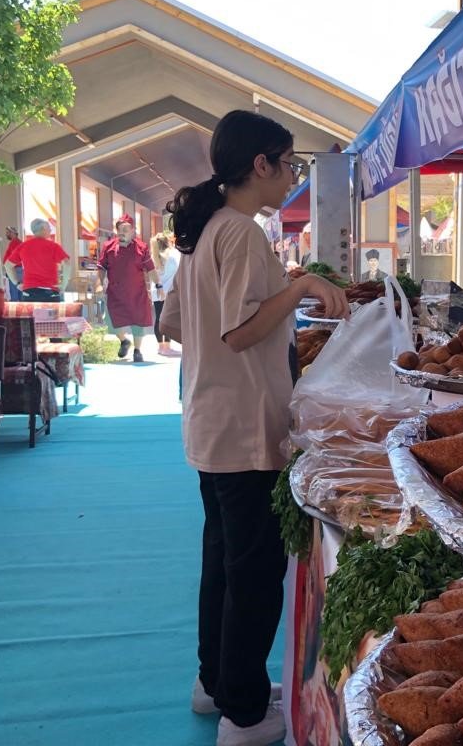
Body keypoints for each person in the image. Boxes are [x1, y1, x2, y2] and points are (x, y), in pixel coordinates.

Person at [159, 109, 348, 746]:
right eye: (289, 163)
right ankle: (242, 712)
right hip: (242, 428)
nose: (292, 175)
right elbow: (237, 333)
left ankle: (218, 682)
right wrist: (297, 291)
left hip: (214, 421)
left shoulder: (208, 230)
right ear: (259, 165)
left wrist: (281, 293)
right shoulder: (240, 231)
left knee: (224, 561)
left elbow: (175, 325)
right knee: (254, 572)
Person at [97, 214, 160, 363]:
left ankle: (137, 351)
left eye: (125, 229)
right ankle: (124, 341)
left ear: (133, 230)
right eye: (119, 229)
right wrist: (99, 284)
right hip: (115, 292)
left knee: (138, 322)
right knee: (111, 321)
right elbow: (101, 267)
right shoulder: (108, 247)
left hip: (136, 293)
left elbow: (150, 269)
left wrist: (159, 285)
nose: (121, 232)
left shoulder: (142, 248)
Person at [4, 218, 70, 302]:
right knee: (51, 315)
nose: (50, 230)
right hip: (50, 292)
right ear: (43, 229)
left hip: (29, 292)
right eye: (49, 228)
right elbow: (67, 263)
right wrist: (63, 285)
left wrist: (17, 284)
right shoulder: (53, 246)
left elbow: (8, 265)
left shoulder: (23, 246)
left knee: (31, 315)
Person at [150, 232, 181, 357]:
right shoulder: (173, 255)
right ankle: (167, 346)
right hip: (170, 292)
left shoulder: (153, 257)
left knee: (158, 318)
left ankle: (161, 346)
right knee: (167, 319)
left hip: (157, 291)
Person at [3, 226, 24, 301]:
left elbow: (14, 258)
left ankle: (16, 310)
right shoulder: (16, 242)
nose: (6, 234)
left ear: (13, 233)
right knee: (19, 291)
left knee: (15, 293)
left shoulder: (15, 243)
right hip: (16, 269)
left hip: (15, 270)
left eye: (8, 233)